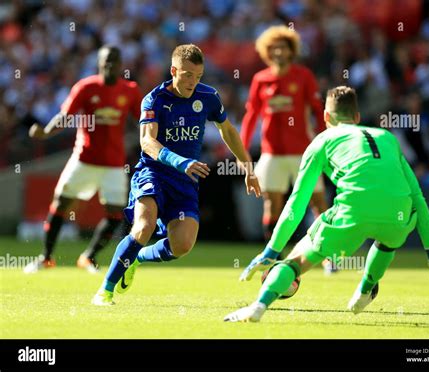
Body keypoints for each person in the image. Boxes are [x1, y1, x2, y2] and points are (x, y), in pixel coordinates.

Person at [224, 86, 429, 322]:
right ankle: (366, 288)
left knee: (295, 262)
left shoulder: (321, 141)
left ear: (325, 117)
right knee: (387, 239)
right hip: (399, 217)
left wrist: (271, 251)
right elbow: (418, 197)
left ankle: (259, 306)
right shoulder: (388, 138)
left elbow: (297, 202)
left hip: (352, 212)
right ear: (357, 117)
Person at [92, 44, 261, 306]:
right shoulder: (154, 99)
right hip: (153, 173)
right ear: (173, 71)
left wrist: (247, 165)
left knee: (181, 246)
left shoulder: (208, 97)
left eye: (198, 76)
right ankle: (105, 290)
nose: (193, 82)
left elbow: (227, 130)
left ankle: (137, 257)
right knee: (144, 227)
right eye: (187, 75)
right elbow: (147, 142)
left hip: (185, 182)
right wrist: (179, 161)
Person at [24, 45, 142, 274]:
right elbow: (65, 116)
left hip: (114, 164)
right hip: (84, 159)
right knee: (60, 204)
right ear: (98, 63)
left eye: (114, 61)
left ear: (121, 65)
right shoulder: (86, 87)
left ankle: (88, 257)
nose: (110, 65)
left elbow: (143, 120)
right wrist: (47, 132)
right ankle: (46, 257)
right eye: (106, 61)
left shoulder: (130, 90)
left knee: (115, 214)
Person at [240, 25, 333, 272]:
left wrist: (325, 139)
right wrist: (242, 147)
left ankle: (328, 256)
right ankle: (273, 256)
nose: (278, 52)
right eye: (273, 48)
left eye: (282, 47)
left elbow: (317, 109)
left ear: (291, 50)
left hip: (303, 152)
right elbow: (251, 115)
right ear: (266, 52)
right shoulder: (261, 79)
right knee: (272, 204)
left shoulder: (303, 76)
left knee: (318, 203)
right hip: (271, 153)